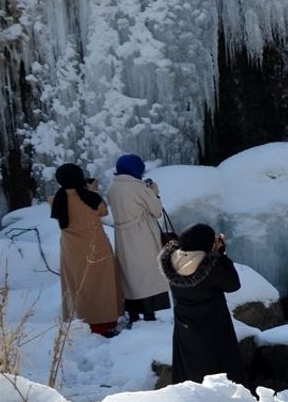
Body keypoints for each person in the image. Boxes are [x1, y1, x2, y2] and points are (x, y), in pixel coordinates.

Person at [159, 224, 244, 385]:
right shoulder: (210, 268)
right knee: (217, 367)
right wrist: (221, 254)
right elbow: (233, 284)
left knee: (189, 367)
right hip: (212, 327)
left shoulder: (172, 262)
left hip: (184, 328)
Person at [50, 163, 123, 337]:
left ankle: (80, 321)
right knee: (102, 285)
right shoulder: (91, 198)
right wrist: (92, 190)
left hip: (71, 251)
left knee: (78, 286)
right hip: (97, 246)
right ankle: (105, 322)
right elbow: (103, 212)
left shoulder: (55, 200)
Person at [108, 154, 172, 324]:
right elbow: (156, 211)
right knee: (147, 273)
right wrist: (154, 193)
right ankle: (149, 314)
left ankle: (133, 314)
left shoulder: (113, 188)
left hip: (122, 236)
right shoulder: (138, 188)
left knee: (130, 274)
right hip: (142, 234)